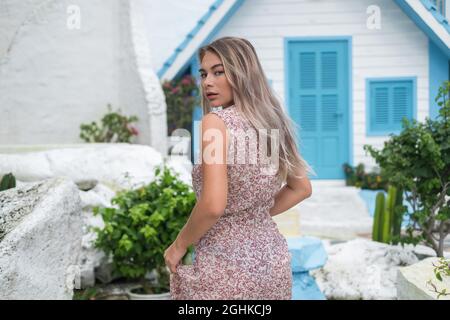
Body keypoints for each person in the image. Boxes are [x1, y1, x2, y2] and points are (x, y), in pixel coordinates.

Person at [164, 36, 313, 300]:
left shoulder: (215, 123)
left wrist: (178, 246)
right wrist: (250, 216)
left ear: (242, 73)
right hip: (272, 262)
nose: (208, 81)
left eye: (219, 72)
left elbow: (213, 205)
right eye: (204, 73)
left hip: (226, 266)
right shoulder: (271, 121)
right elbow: (300, 188)